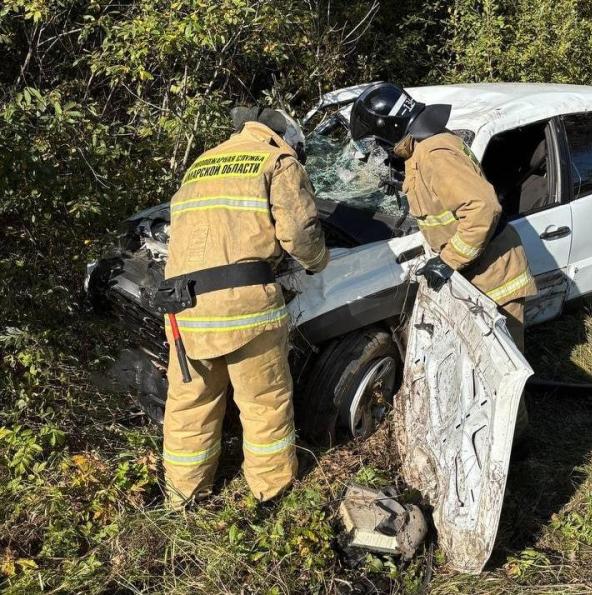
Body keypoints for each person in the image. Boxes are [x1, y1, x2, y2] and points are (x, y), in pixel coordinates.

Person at [159, 106, 328, 508]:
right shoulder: (277, 160)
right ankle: (272, 492)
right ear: (288, 137)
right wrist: (318, 262)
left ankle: (183, 496)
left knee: (190, 403)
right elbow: (300, 232)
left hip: (184, 309)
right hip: (245, 308)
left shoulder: (201, 163)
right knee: (264, 402)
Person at [349, 82, 536, 429]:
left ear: (391, 129)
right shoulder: (420, 151)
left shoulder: (435, 154)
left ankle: (515, 450)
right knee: (476, 375)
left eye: (378, 142)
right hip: (475, 277)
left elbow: (482, 209)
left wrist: (448, 261)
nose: (378, 150)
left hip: (495, 279)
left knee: (500, 378)